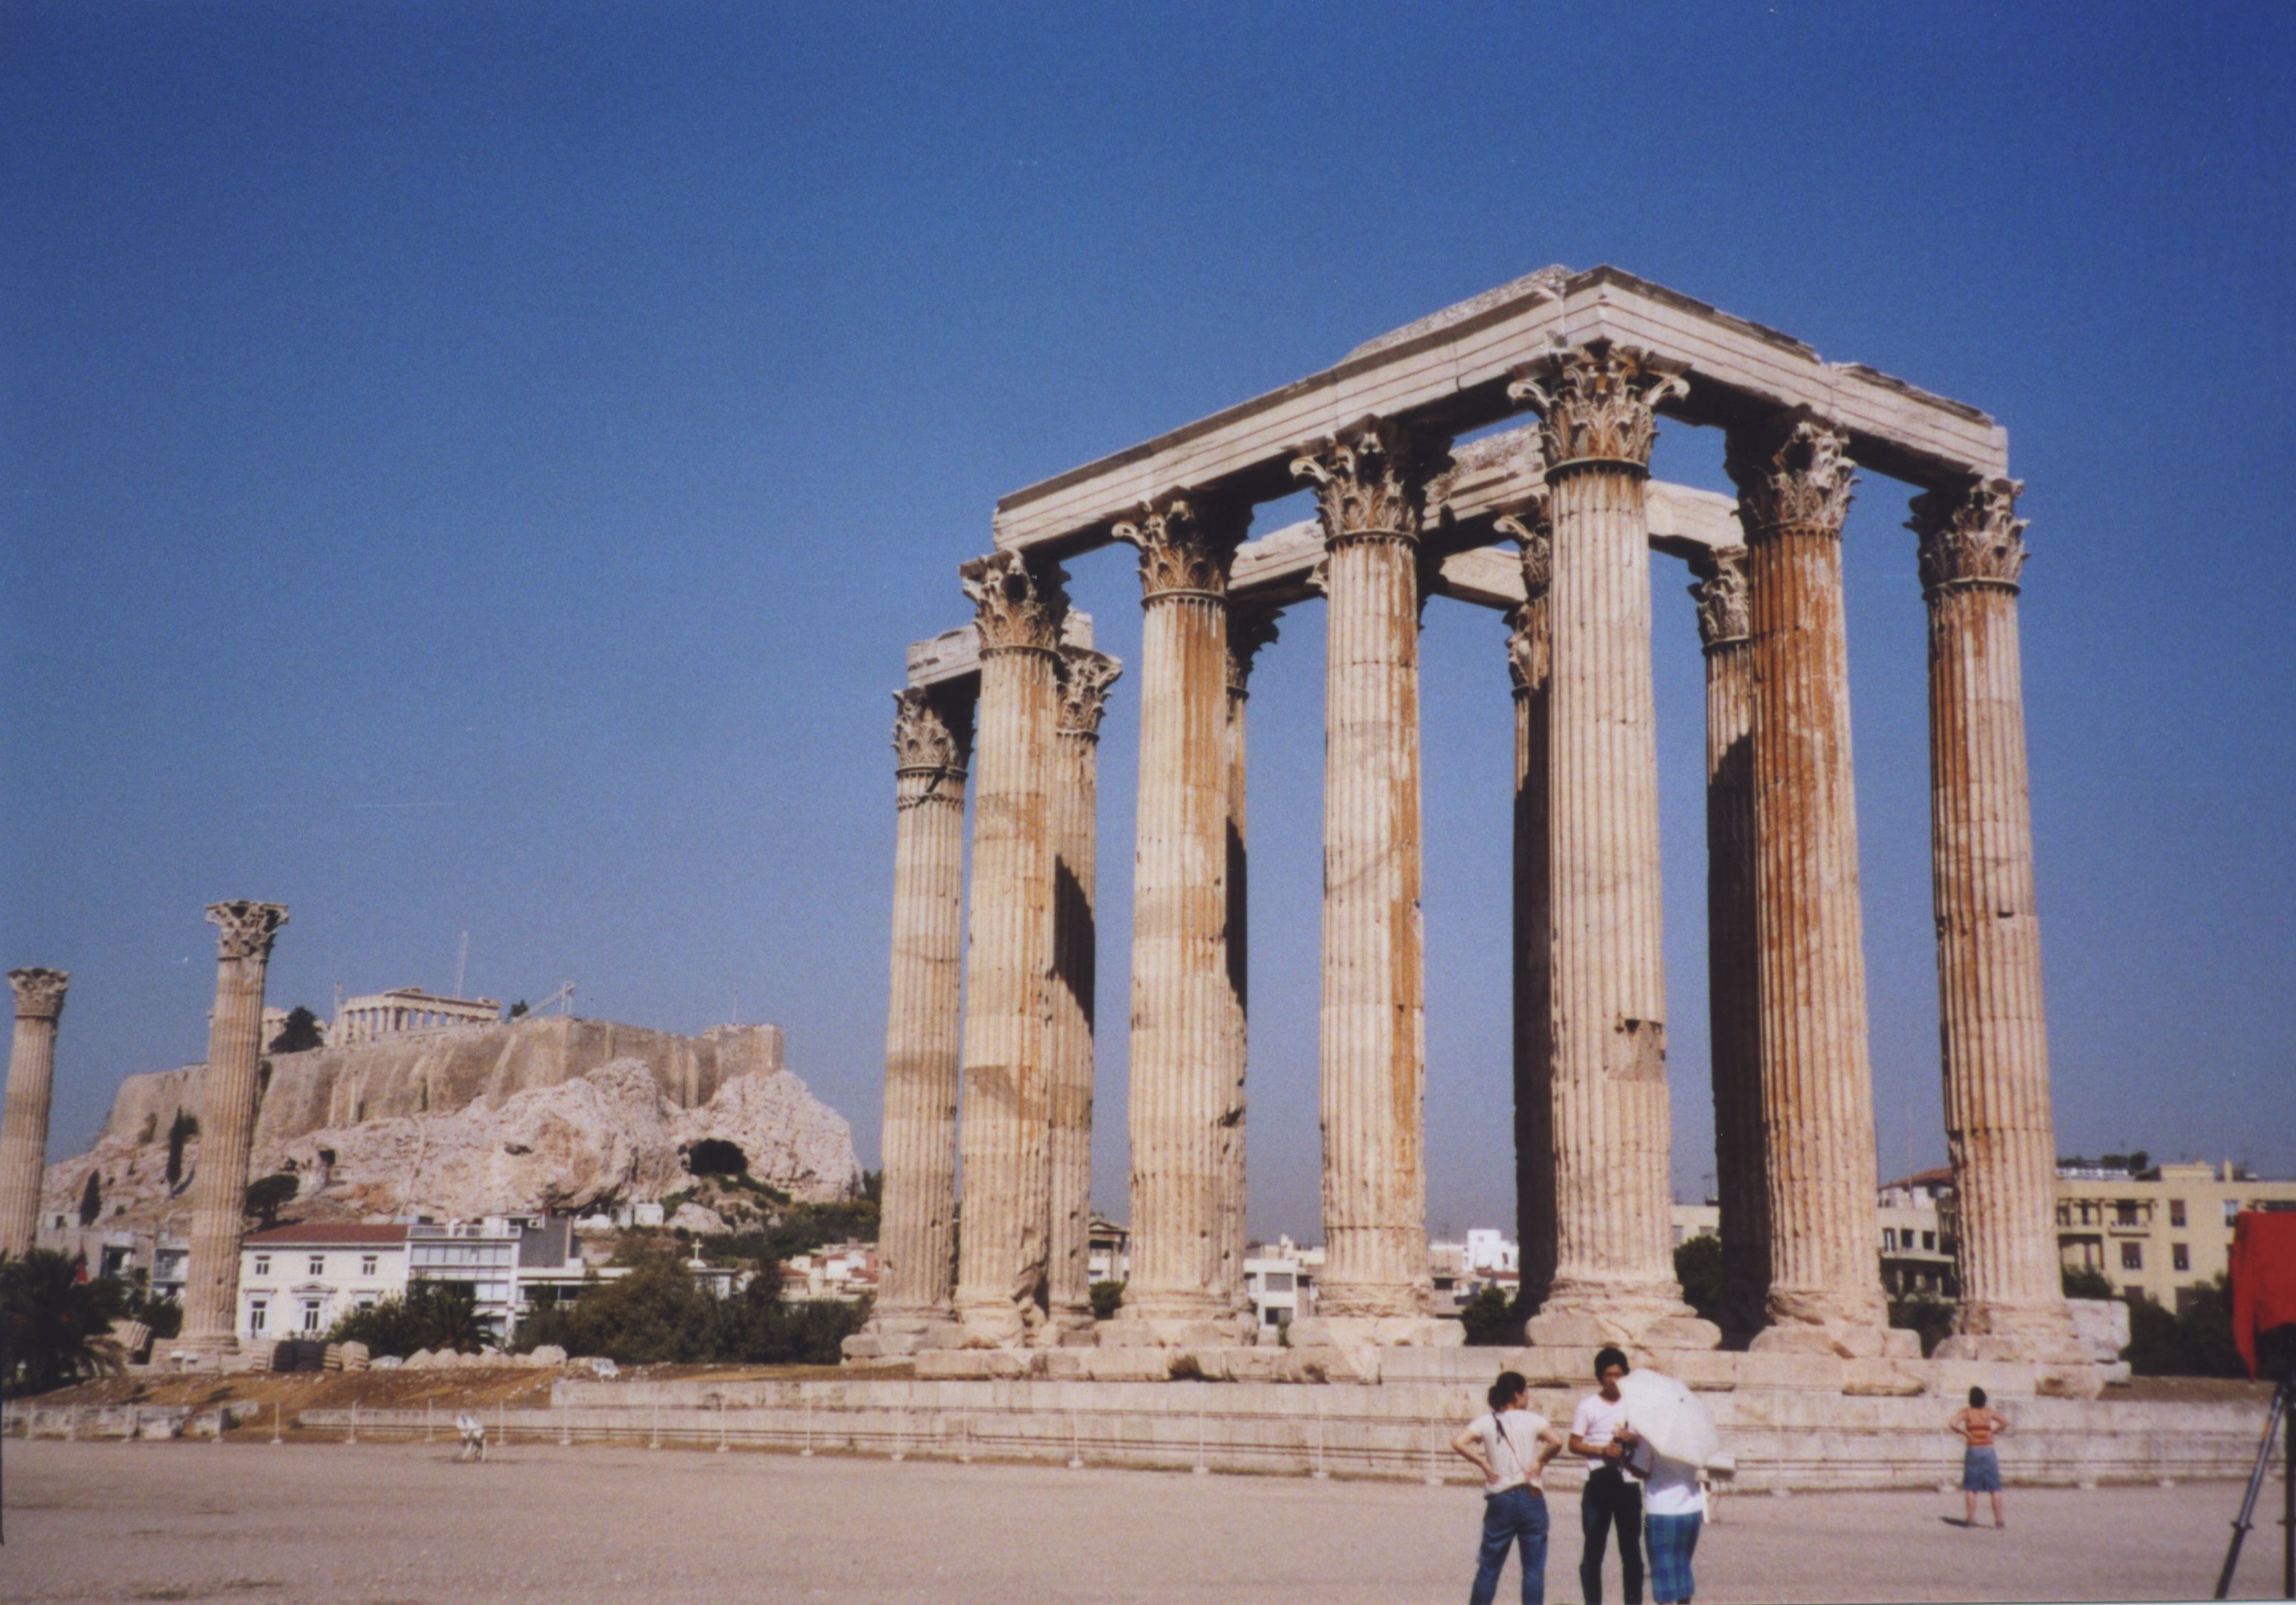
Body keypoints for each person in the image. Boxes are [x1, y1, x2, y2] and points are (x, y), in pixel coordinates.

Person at [1453, 1370, 1568, 1605]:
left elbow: (1458, 1442)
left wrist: (1484, 1463)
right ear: (1517, 1394)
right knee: (1533, 1569)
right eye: (1526, 1392)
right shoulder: (1534, 1419)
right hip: (1531, 1494)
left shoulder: (1486, 1421)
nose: (1528, 1397)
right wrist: (1540, 1461)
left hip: (1500, 1497)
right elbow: (1557, 1441)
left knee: (1489, 1568)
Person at [1569, 1347, 1643, 1605]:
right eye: (1608, 1375)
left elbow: (1644, 1442)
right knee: (1593, 1552)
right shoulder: (1587, 1406)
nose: (1614, 1380)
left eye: (1619, 1374)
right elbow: (1574, 1444)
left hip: (1628, 1483)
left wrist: (1631, 1439)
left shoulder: (1634, 1406)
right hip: (1598, 1482)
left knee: (1631, 1552)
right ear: (1600, 1377)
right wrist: (1601, 1450)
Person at [1618, 1426, 1705, 1605]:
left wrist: (1624, 1454)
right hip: (1690, 1509)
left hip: (1662, 1510)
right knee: (1682, 1568)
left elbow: (1640, 1470)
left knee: (1663, 1572)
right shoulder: (1693, 1435)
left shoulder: (1654, 1436)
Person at [1949, 1386, 2008, 1528]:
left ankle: (1970, 1520)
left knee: (1971, 1487)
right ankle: (1999, 1520)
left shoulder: (1966, 1412)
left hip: (1973, 1451)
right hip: (1988, 1451)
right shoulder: (1988, 1412)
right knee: (1994, 1487)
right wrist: (1992, 1432)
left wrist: (1966, 1433)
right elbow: (2005, 1422)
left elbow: (1952, 1423)